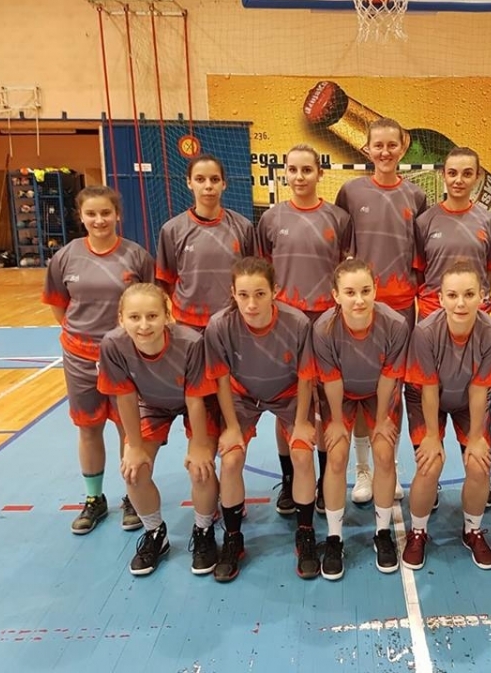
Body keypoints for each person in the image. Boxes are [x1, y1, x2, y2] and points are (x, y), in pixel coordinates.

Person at [42, 185, 155, 535]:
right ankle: (94, 498)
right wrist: (83, 337)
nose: (99, 220)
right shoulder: (65, 257)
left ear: (117, 214)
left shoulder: (136, 257)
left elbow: (150, 303)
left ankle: (132, 497)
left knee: (128, 428)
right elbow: (59, 305)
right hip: (80, 356)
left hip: (125, 357)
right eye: (91, 213)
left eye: (106, 212)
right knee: (88, 427)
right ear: (81, 216)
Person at [204, 257, 320, 582]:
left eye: (259, 294)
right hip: (242, 396)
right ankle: (233, 538)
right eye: (243, 295)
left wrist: (302, 422)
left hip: (288, 393)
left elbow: (306, 377)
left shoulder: (297, 324)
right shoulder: (219, 326)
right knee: (230, 460)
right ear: (233, 293)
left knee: (302, 455)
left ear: (275, 292)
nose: (251, 304)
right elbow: (221, 379)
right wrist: (231, 427)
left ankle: (306, 532)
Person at [97, 283, 220, 576]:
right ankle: (155, 534)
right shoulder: (112, 345)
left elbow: (195, 398)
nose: (144, 325)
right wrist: (135, 446)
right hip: (151, 404)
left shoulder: (191, 343)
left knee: (201, 468)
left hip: (195, 402)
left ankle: (204, 531)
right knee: (134, 470)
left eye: (152, 316)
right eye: (134, 317)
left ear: (168, 316)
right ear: (121, 319)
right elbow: (125, 397)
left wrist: (199, 446)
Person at [335, 118, 427, 505]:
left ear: (402, 148)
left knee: (393, 390)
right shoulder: (350, 192)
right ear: (366, 148)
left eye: (392, 145)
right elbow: (341, 249)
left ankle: (389, 463)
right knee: (360, 388)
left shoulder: (417, 196)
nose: (385, 152)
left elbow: (420, 254)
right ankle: (362, 468)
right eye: (378, 145)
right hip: (361, 304)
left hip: (402, 306)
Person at [258, 144, 352, 517]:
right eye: (293, 170)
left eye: (306, 170)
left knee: (326, 402)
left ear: (320, 173)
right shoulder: (270, 219)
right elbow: (264, 269)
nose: (299, 177)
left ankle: (326, 478)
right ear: (285, 173)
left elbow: (344, 268)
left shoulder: (338, 219)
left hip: (326, 323)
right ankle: (289, 480)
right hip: (285, 323)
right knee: (288, 404)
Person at [401, 261, 491, 572]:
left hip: (468, 402)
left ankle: (472, 530)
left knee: (478, 465)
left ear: (483, 296)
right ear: (440, 299)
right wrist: (432, 438)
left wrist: (476, 438)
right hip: (427, 399)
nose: (460, 303)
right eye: (452, 295)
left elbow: (479, 390)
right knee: (430, 465)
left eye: (468, 294)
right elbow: (428, 388)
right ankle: (418, 531)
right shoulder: (425, 332)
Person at [312, 259, 409, 579]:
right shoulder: (324, 329)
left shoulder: (395, 324)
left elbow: (389, 377)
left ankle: (382, 533)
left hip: (376, 392)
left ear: (376, 290)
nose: (359, 299)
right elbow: (331, 380)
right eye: (350, 292)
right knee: (336, 455)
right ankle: (334, 538)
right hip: (341, 394)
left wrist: (382, 420)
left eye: (366, 291)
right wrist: (336, 422)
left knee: (384, 452)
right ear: (336, 295)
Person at [155, 154, 256, 330]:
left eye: (214, 179)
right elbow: (166, 280)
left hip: (232, 320)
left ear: (224, 184)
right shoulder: (172, 230)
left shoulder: (243, 227)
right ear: (189, 183)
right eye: (200, 179)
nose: (208, 186)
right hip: (187, 323)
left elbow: (253, 276)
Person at [413, 147, 491, 320]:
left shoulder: (490, 221)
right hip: (432, 312)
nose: (458, 180)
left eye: (467, 174)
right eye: (452, 173)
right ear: (443, 175)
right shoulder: (424, 221)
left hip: (473, 312)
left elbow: (490, 269)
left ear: (477, 176)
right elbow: (419, 271)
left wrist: (478, 298)